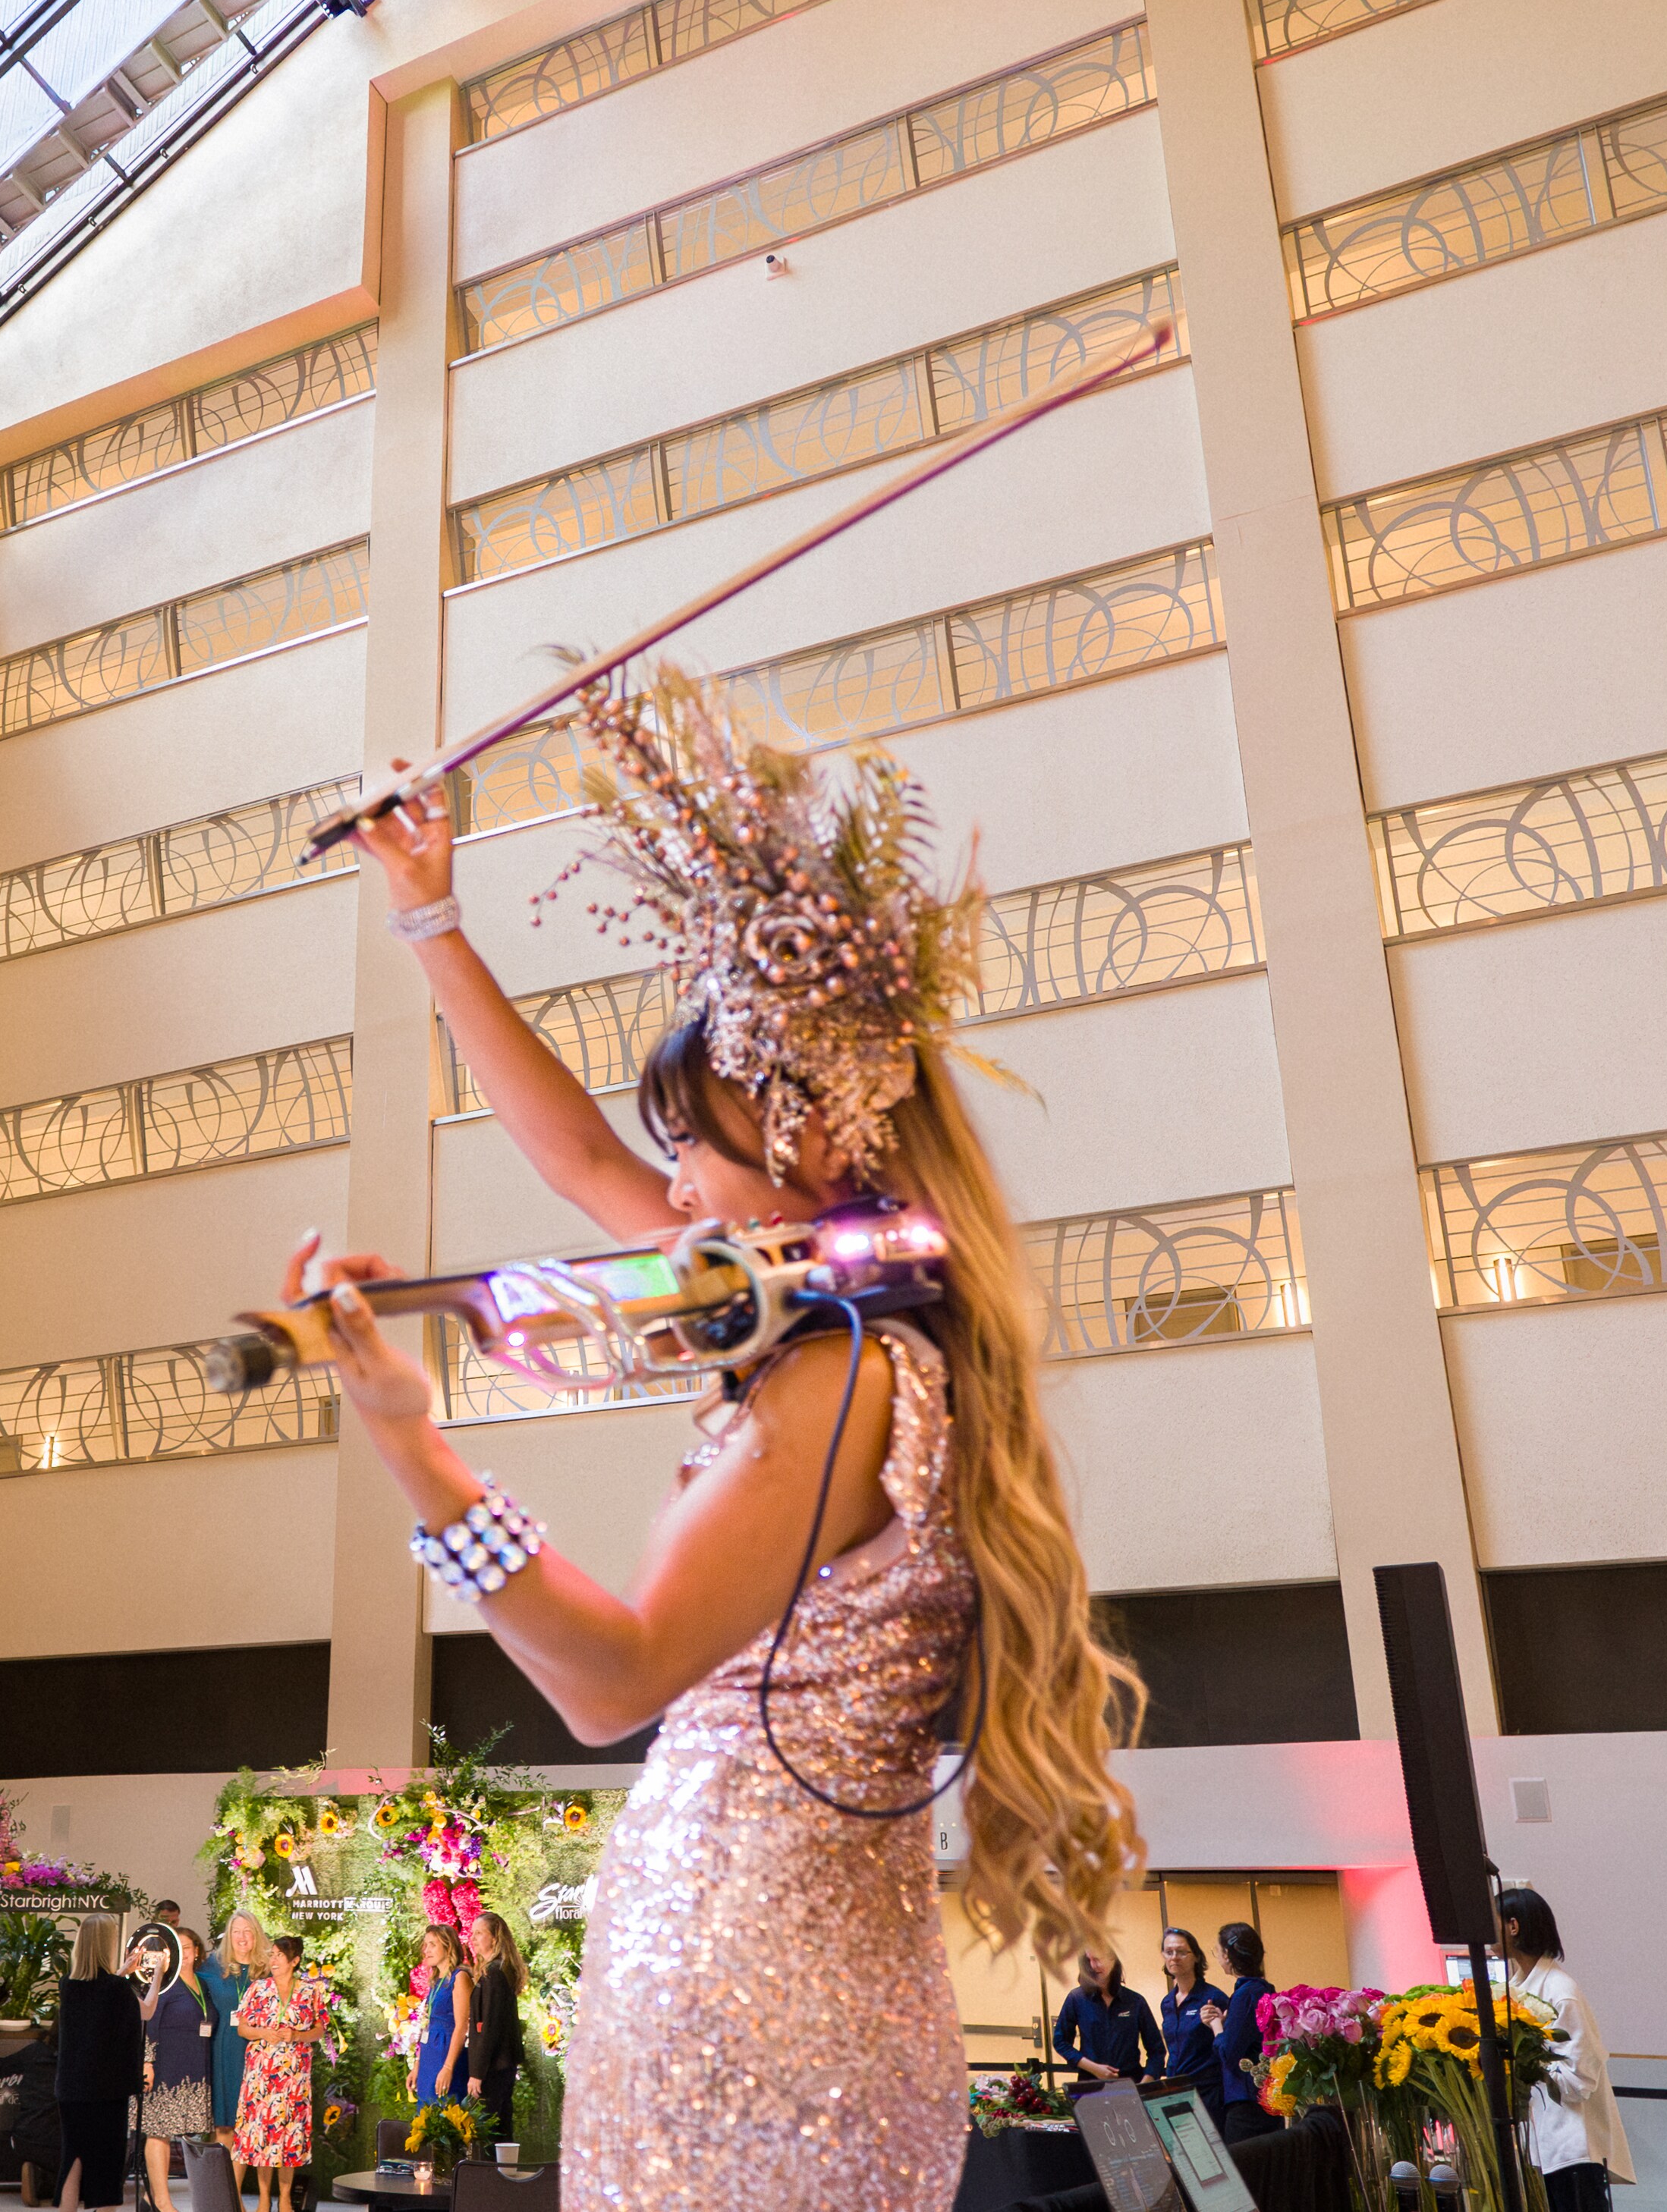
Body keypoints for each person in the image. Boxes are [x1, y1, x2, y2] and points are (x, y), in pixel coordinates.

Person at [321, 680, 1143, 2210]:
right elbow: (577, 1158)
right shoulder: (862, 1344)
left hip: (751, 2008)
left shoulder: (840, 1376)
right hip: (786, 1987)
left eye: (696, 1140)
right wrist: (431, 917)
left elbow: (613, 1673)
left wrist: (413, 1443)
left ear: (820, 1136)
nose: (677, 1188)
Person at [1499, 1888, 1632, 2212]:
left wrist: (1526, 2065)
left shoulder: (1561, 1992)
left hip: (1570, 2153)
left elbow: (1580, 2080)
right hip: (1542, 2150)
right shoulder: (1516, 1989)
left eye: (1494, 1920)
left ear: (1514, 1926)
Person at [226, 1929, 326, 2212]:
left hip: (294, 2077)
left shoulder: (310, 1991)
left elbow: (319, 2030)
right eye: (272, 1955)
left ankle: (284, 2198)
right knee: (262, 2136)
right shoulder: (258, 1988)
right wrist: (263, 2033)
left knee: (289, 2136)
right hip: (261, 2075)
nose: (274, 1960)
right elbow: (243, 2028)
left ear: (294, 1961)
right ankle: (263, 2198)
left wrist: (296, 2035)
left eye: (280, 1955)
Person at [49, 1919, 141, 2210]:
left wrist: (122, 1974)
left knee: (73, 2157)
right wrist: (160, 1974)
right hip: (106, 2091)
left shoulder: (68, 1985)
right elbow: (145, 2010)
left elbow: (98, 1998)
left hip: (71, 2087)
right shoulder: (117, 1988)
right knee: (107, 2164)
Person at [131, 1928, 209, 2212]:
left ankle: (150, 2200)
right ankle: (161, 2201)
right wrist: (147, 2063)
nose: (185, 1953)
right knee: (158, 2132)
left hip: (193, 2071)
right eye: (179, 1948)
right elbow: (147, 2023)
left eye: (189, 1947)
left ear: (198, 1951)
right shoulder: (164, 1984)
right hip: (164, 2068)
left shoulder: (203, 1984)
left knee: (174, 2132)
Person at [452, 1915, 522, 2144]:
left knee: (490, 2131)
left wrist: (477, 2073)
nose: (473, 1939)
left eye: (479, 1933)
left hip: (494, 2066)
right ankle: (501, 2175)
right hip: (501, 2064)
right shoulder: (497, 1970)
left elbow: (488, 2026)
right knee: (501, 2128)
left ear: (495, 1938)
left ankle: (492, 2177)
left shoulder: (494, 1974)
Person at [1209, 1922, 1278, 2138]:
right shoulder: (1263, 1989)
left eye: (1218, 1952)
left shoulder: (1246, 1994)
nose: (1218, 1957)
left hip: (1246, 2102)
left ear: (1228, 1955)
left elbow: (1229, 2053)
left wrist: (1216, 2026)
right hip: (1262, 2099)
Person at [1052, 1949, 1160, 2084]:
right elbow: (1060, 2042)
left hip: (1131, 2082)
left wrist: (1147, 2081)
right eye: (1088, 1961)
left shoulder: (1135, 2001)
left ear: (1113, 1960)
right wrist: (1094, 2068)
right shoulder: (1076, 1999)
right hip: (1090, 2083)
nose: (1093, 1966)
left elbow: (1157, 2049)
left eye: (1097, 1959)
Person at [196, 1918, 256, 2141]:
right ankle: (224, 2176)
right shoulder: (212, 1966)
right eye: (236, 1932)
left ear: (256, 1935)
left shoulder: (268, 1969)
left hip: (257, 2050)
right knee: (225, 2123)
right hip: (224, 2048)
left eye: (247, 1931)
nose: (242, 1937)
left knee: (253, 2120)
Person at [1156, 1928, 1226, 2119]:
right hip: (1176, 2090)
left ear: (1195, 1957)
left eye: (1181, 1952)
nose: (1174, 1957)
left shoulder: (1213, 1997)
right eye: (1169, 1952)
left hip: (1207, 2092)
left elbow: (1227, 2046)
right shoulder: (1167, 2002)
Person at [404, 1925, 469, 2107]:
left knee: (446, 2109)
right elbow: (426, 2025)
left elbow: (462, 2026)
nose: (426, 1950)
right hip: (429, 2055)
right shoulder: (436, 1980)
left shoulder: (460, 1977)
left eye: (432, 1945)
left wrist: (448, 2067)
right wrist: (417, 2065)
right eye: (425, 1945)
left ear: (448, 1947)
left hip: (446, 2053)